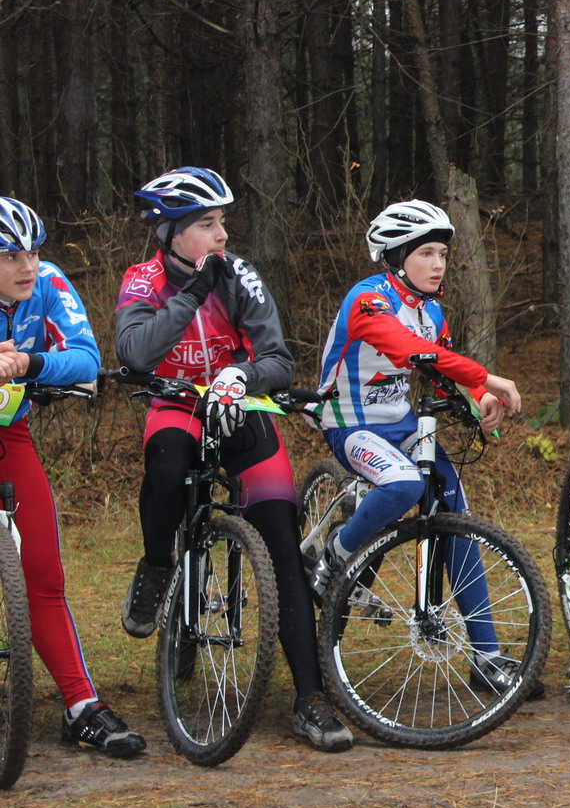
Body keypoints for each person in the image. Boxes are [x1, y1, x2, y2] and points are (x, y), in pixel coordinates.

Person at [115, 167, 352, 752]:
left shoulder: (241, 276)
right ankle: (157, 566)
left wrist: (241, 375)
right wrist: (194, 292)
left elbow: (279, 360)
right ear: (171, 234)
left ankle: (309, 697)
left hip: (240, 408)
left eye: (222, 222)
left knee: (280, 537)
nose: (222, 235)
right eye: (206, 224)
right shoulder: (143, 280)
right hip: (176, 407)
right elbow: (136, 353)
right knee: (167, 465)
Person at [312, 199, 534, 697]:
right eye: (426, 254)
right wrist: (487, 377)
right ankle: (337, 553)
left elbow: (441, 365)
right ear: (395, 257)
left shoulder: (430, 310)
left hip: (402, 423)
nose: (438, 265)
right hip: (351, 424)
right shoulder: (368, 300)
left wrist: (477, 397)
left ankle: (487, 657)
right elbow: (408, 349)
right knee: (403, 483)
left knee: (456, 515)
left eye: (443, 255)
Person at [0, 199, 146, 758]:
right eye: (11, 256)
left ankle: (81, 705)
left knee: (43, 572)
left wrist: (28, 364)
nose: (28, 266)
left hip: (9, 434)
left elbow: (86, 360)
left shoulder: (47, 283)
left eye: (33, 252)